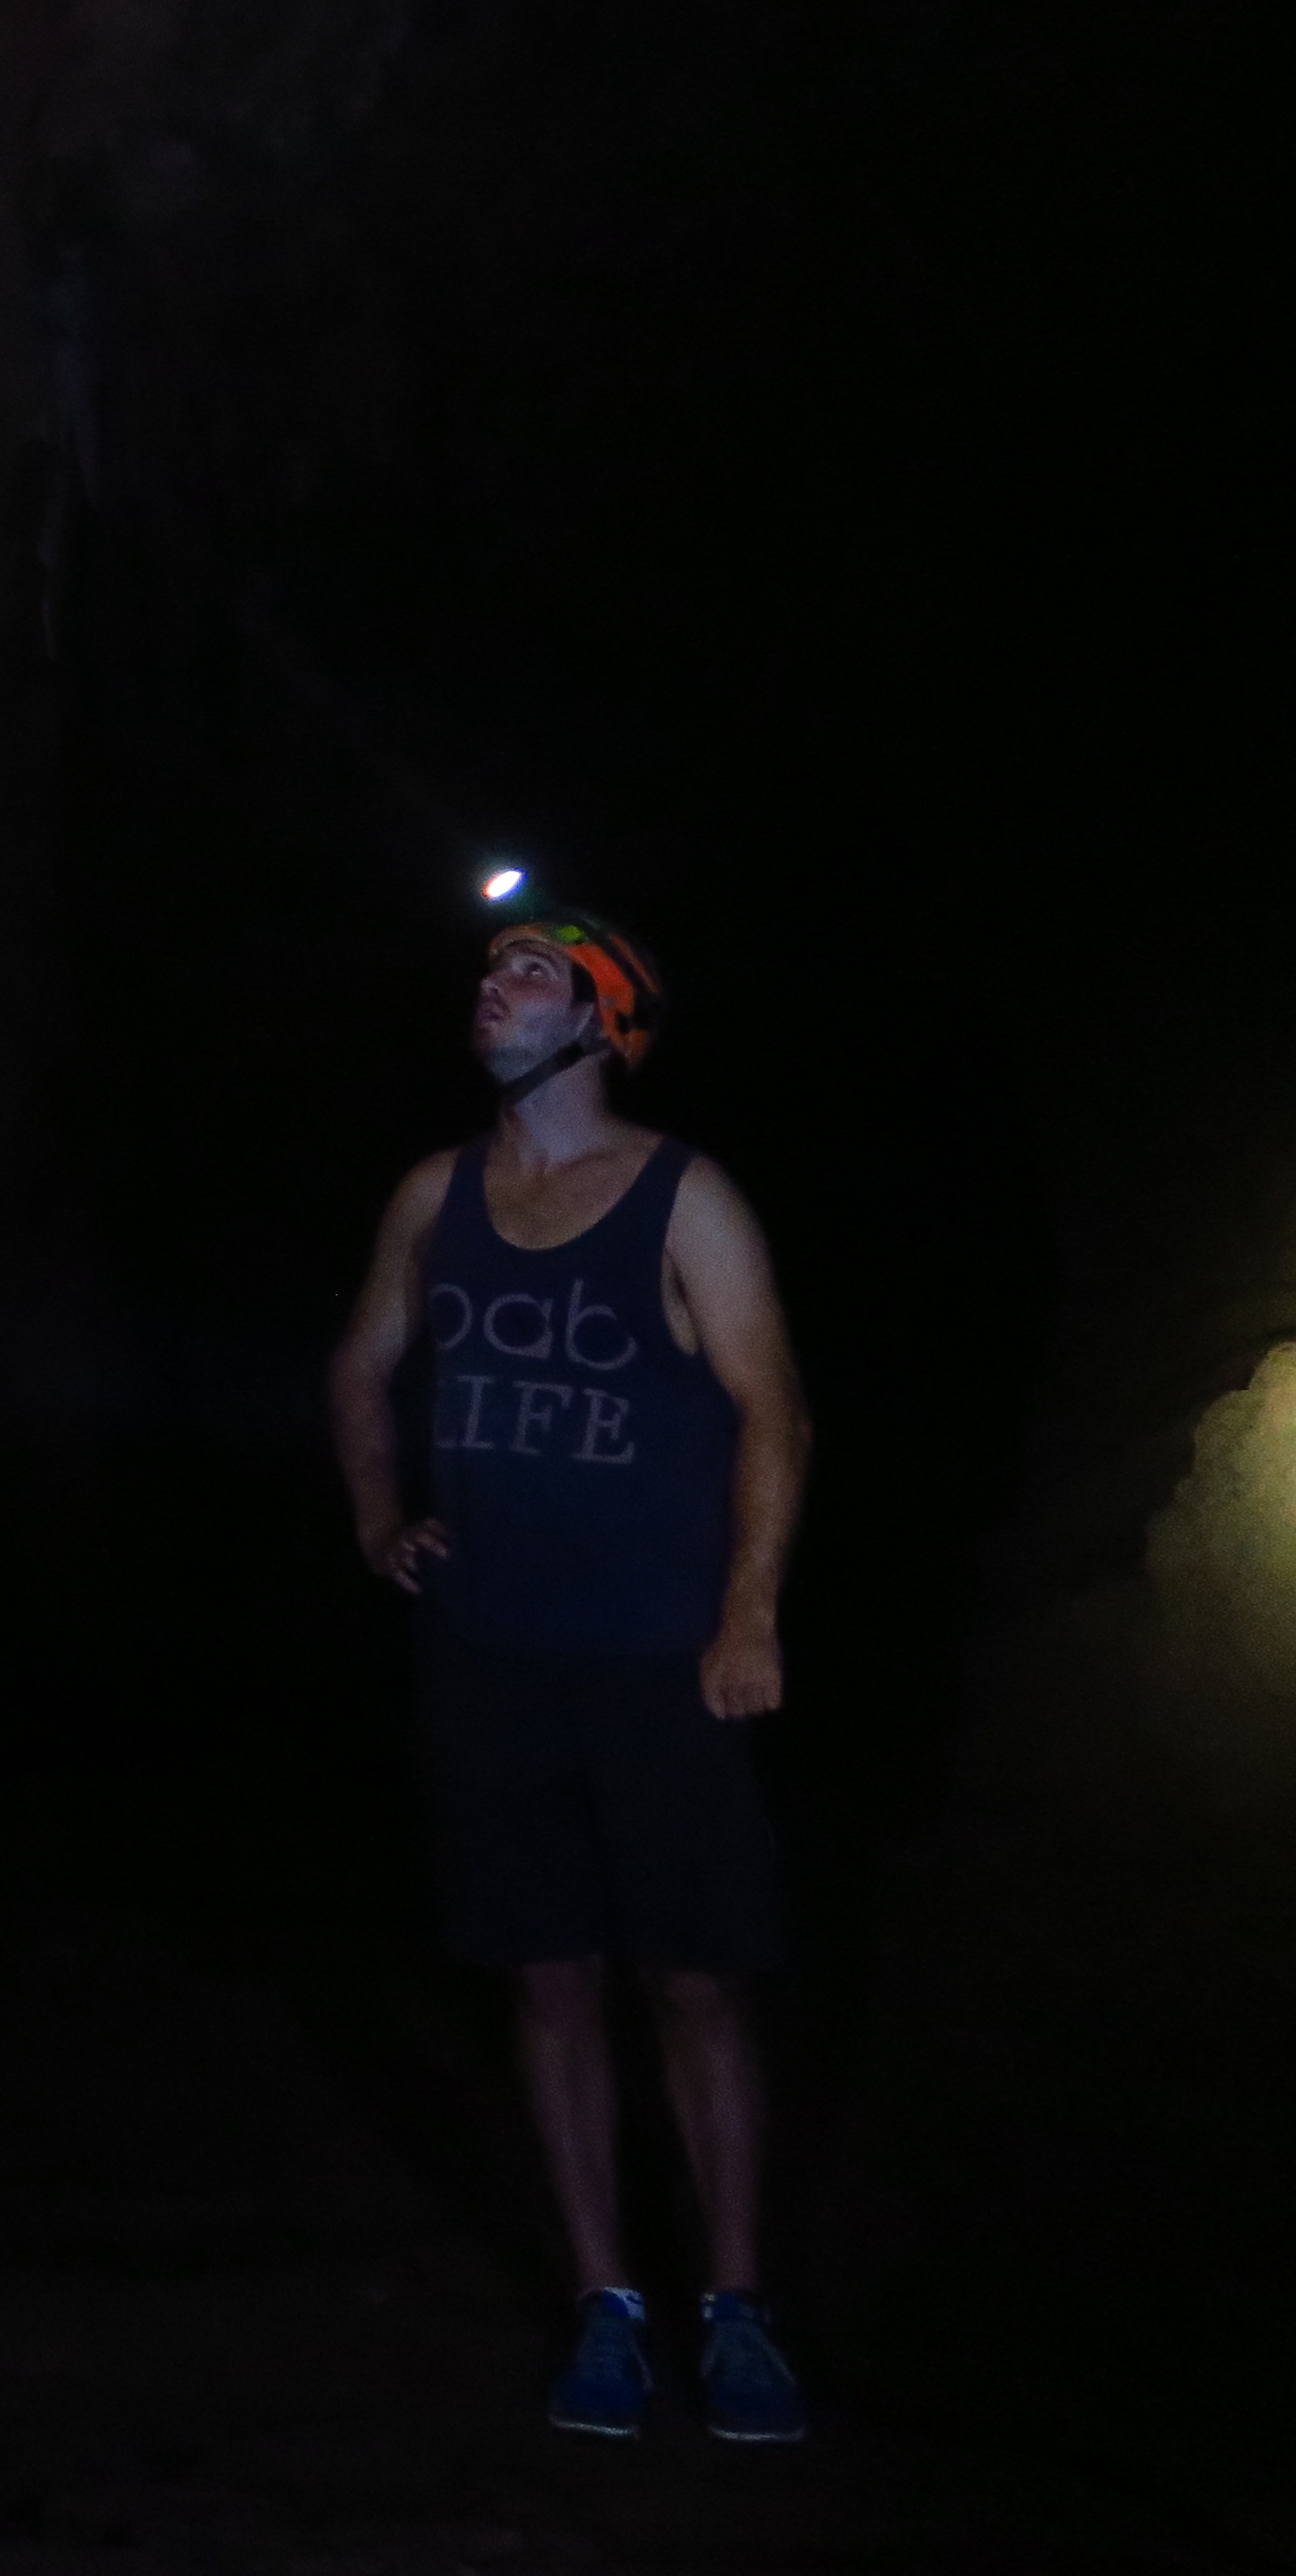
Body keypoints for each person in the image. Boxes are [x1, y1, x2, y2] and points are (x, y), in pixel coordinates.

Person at [326, 910, 815, 2444]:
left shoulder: (684, 1197)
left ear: (606, 1023)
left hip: (657, 1657)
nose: (492, 987)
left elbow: (774, 1412)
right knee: (547, 1982)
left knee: (694, 1982)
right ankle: (606, 2302)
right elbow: (361, 1362)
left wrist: (748, 1616)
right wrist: (377, 1520)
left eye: (531, 974)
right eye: (490, 970)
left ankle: (735, 2308)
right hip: (490, 1652)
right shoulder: (437, 1192)